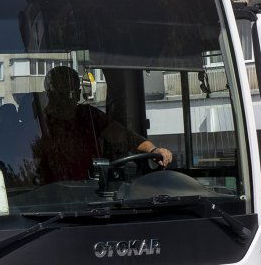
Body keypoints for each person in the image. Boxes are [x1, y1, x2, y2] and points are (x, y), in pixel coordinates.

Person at [33, 65, 173, 182]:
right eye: (59, 94)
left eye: (69, 93)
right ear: (49, 95)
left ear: (78, 94)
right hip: (51, 197)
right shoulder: (39, 123)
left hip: (91, 192)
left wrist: (153, 150)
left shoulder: (89, 115)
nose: (63, 100)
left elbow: (124, 136)